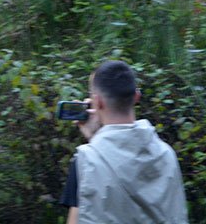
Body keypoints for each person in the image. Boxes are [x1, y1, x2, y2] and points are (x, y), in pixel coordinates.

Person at [60, 59, 187, 224]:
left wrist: (96, 142)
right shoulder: (166, 154)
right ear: (136, 96)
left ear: (97, 101)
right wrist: (96, 140)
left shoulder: (86, 161)